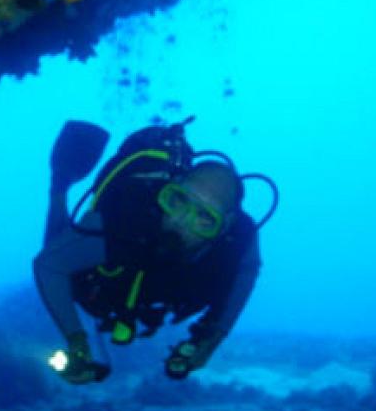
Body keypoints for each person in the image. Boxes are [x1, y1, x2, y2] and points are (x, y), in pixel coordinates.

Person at [33, 118, 275, 384]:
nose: (181, 222)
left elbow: (246, 275)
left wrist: (208, 341)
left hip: (150, 295)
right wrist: (77, 340)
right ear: (168, 191)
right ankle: (59, 185)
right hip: (96, 285)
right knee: (59, 249)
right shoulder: (126, 215)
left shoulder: (236, 245)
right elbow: (49, 266)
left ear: (223, 227)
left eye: (205, 218)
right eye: (178, 201)